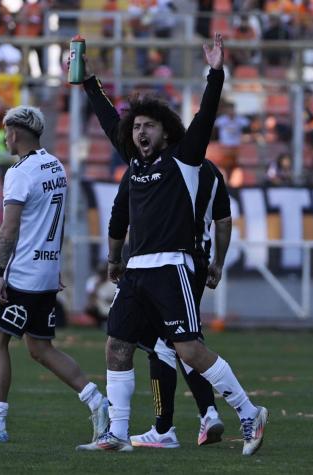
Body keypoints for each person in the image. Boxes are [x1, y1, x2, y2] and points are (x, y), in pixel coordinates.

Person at [74, 34, 267, 456]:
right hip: (137, 269)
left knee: (188, 350)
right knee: (117, 345)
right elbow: (110, 121)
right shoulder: (135, 164)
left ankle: (249, 411)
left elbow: (207, 113)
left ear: (166, 132)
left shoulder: (186, 158)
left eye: (149, 126)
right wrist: (90, 83)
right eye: (137, 126)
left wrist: (215, 72)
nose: (140, 131)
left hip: (172, 267)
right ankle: (118, 434)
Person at [0, 106, 109, 443]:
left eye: (6, 131)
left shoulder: (20, 172)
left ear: (15, 132)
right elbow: (54, 220)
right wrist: (53, 265)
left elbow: (9, 230)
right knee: (40, 348)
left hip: (22, 272)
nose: (5, 137)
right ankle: (97, 400)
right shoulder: (55, 165)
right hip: (45, 269)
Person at [107, 159, 233, 448]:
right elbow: (223, 222)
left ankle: (172, 426)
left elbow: (121, 213)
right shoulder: (213, 171)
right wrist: (219, 263)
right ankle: (200, 415)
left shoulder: (160, 166)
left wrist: (116, 258)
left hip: (167, 260)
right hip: (198, 261)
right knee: (177, 339)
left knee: (170, 342)